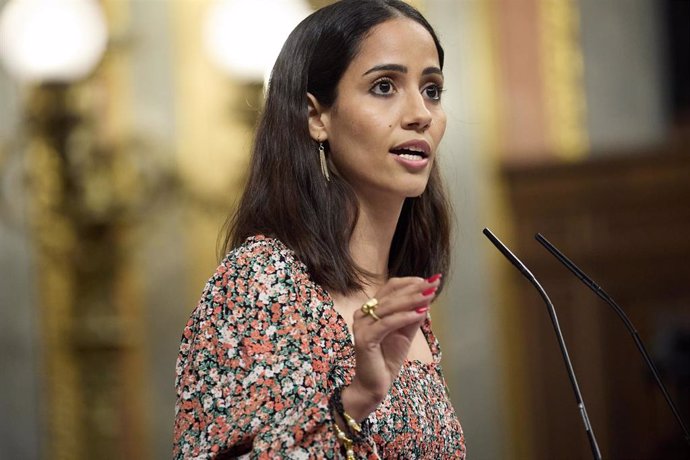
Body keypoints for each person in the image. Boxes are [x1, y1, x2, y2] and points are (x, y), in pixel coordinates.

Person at [173, 0, 465, 458]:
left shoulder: (403, 303)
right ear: (316, 117)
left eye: (431, 90)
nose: (420, 114)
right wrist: (356, 399)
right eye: (385, 86)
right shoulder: (261, 282)